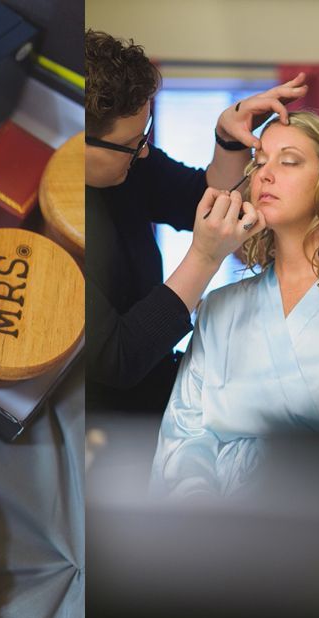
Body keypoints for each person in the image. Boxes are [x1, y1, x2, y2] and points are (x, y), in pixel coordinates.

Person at [151, 111, 319, 497]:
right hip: (209, 529)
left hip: (317, 525)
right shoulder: (219, 307)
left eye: (289, 161)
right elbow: (183, 435)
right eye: (258, 163)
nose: (264, 175)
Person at [85, 29, 307, 414]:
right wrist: (204, 258)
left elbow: (199, 199)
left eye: (146, 135)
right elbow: (117, 358)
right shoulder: (60, 227)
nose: (144, 153)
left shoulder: (128, 164)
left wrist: (229, 138)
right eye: (133, 144)